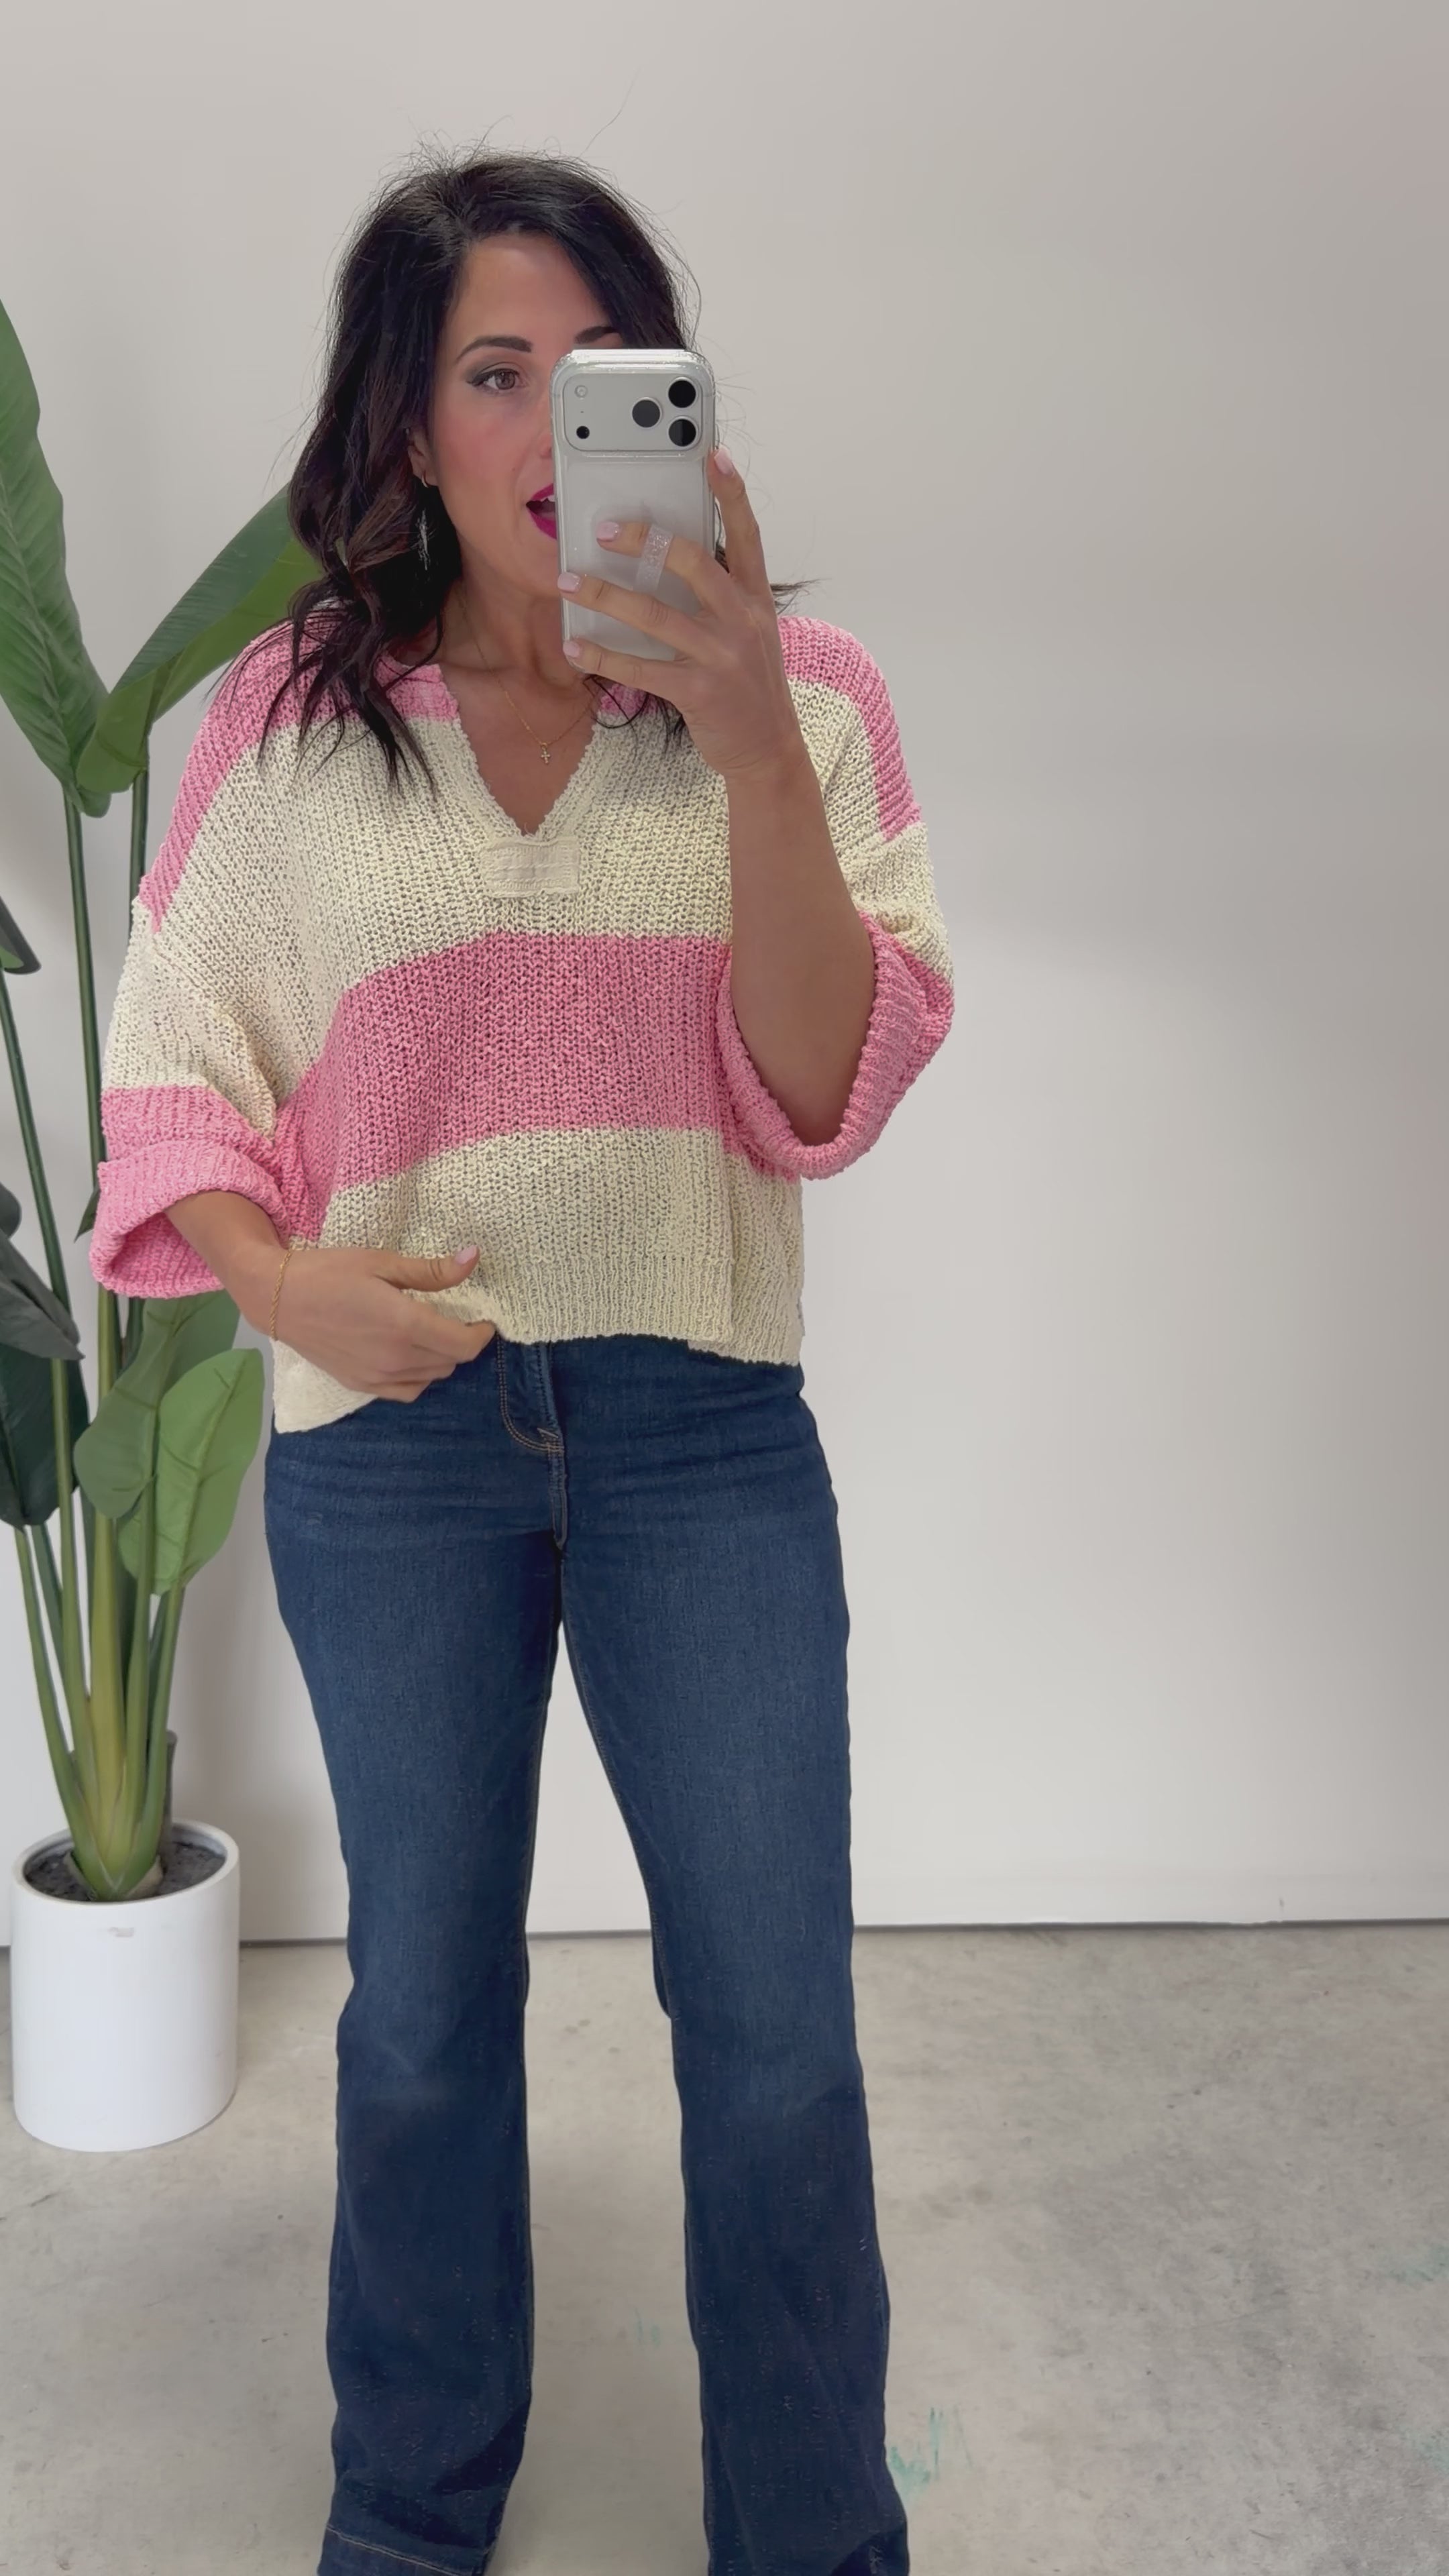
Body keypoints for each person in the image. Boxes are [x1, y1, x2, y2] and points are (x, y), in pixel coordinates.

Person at [90, 146, 954, 2576]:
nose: (559, 423)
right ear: (409, 424)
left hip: (702, 1433)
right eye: (499, 373)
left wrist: (750, 741)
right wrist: (286, 1292)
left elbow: (820, 1086)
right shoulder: (286, 724)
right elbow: (175, 1065)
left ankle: (817, 2538)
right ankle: (410, 2509)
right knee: (420, 2021)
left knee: (774, 2035)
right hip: (396, 1451)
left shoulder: (813, 707)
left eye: (607, 372)